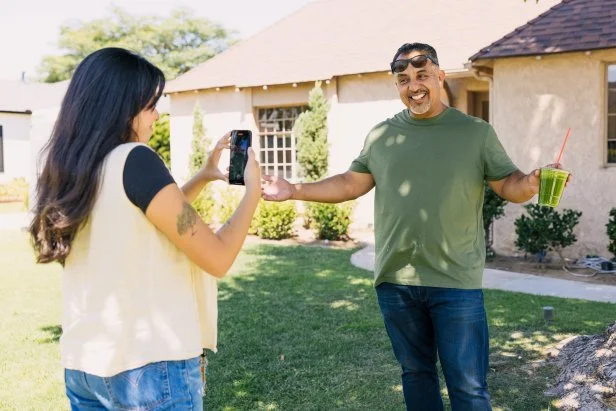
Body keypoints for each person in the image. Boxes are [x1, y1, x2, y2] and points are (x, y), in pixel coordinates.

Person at [262, 42, 571, 410]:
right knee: (416, 376)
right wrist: (293, 188)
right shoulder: (381, 135)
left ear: (440, 77)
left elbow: (509, 185)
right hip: (397, 282)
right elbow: (350, 183)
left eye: (421, 75)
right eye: (403, 79)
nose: (414, 85)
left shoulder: (475, 132)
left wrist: (534, 181)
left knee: (468, 388)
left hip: (455, 281)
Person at [29, 47, 261, 410]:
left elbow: (146, 216)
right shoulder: (136, 159)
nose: (157, 114)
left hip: (85, 366)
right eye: (151, 105)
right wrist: (253, 192)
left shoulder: (74, 166)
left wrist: (203, 176)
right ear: (121, 108)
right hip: (149, 367)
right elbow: (217, 258)